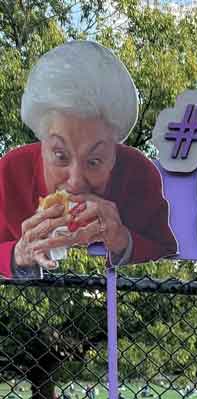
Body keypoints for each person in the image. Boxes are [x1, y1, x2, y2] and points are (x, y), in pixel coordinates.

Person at [0, 40, 177, 278]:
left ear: (114, 155)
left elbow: (168, 256)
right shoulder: (10, 172)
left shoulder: (139, 176)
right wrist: (17, 255)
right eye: (60, 155)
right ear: (42, 143)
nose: (74, 182)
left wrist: (124, 241)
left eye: (94, 161)